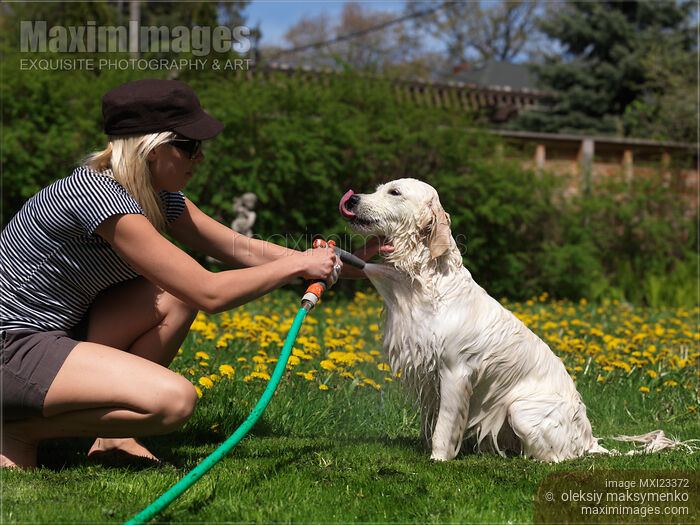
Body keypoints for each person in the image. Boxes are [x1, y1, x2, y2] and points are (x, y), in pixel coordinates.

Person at [0, 78, 360, 470]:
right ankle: (19, 432)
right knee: (173, 402)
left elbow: (242, 249)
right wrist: (298, 264)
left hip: (53, 335)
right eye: (189, 147)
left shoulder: (156, 197)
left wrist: (355, 264)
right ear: (151, 149)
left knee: (170, 295)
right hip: (12, 345)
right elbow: (209, 293)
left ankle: (113, 437)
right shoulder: (98, 197)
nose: (199, 158)